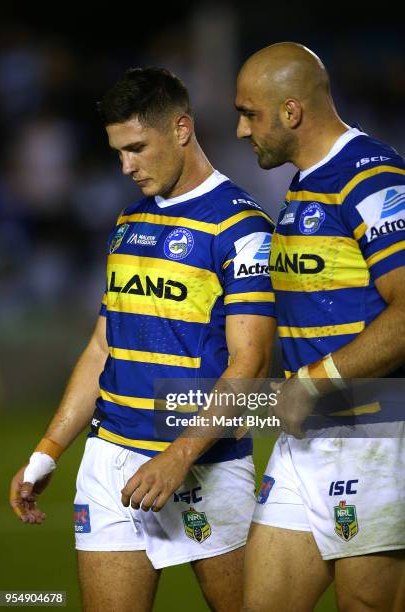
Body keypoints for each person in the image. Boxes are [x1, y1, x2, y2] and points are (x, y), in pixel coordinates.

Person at [10, 67, 276, 612]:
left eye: (136, 148)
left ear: (181, 128)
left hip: (205, 463)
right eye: (117, 152)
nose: (126, 167)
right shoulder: (129, 221)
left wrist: (178, 456)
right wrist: (47, 452)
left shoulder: (242, 228)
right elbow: (103, 348)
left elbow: (250, 365)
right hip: (111, 459)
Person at [235, 42, 405, 611]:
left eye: (250, 113)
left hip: (376, 434)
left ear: (291, 112)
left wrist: (309, 381)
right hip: (307, 436)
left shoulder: (370, 175)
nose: (240, 130)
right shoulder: (307, 184)